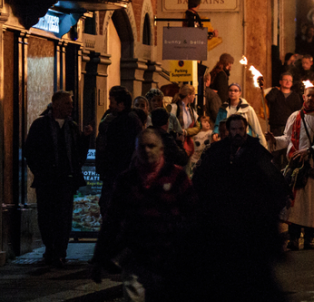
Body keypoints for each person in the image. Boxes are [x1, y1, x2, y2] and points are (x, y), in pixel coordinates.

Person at [192, 113, 289, 301]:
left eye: (240, 129)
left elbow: (274, 184)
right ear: (228, 131)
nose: (237, 133)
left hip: (251, 227)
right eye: (234, 129)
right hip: (221, 228)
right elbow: (201, 183)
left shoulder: (256, 152)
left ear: (246, 130)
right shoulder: (217, 152)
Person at [91, 128, 196, 297]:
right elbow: (112, 219)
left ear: (161, 149)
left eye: (151, 146)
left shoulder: (176, 176)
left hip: (169, 257)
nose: (147, 150)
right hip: (136, 257)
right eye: (142, 147)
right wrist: (100, 257)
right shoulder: (127, 180)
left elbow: (192, 215)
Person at [23, 91, 92, 267]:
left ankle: (60, 251)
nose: (71, 107)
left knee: (63, 217)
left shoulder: (72, 127)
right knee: (46, 216)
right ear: (56, 105)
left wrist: (85, 139)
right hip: (47, 179)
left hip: (66, 180)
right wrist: (39, 171)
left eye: (71, 103)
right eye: (68, 103)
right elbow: (30, 151)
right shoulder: (40, 125)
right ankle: (50, 249)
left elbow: (78, 155)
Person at [269, 86, 314, 250]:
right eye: (308, 96)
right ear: (303, 97)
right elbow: (286, 138)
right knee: (295, 204)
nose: (310, 98)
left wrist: (310, 151)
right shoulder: (294, 117)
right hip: (297, 168)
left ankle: (309, 238)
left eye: (313, 96)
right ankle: (294, 238)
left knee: (312, 204)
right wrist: (273, 140)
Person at [96, 86, 144, 216]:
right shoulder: (109, 117)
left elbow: (128, 149)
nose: (110, 105)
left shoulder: (129, 121)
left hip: (121, 172)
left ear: (121, 104)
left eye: (112, 101)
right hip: (110, 172)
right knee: (107, 204)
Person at [214, 83, 267, 148]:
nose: (232, 92)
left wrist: (263, 146)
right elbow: (218, 124)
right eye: (230, 90)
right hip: (227, 141)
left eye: (235, 91)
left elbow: (257, 129)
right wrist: (216, 132)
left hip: (243, 142)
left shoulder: (247, 109)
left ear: (240, 93)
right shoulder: (223, 109)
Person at [265, 71, 303, 136]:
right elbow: (269, 99)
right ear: (280, 81)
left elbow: (298, 111)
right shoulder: (275, 93)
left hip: (290, 127)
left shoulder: (295, 96)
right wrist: (275, 90)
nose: (288, 82)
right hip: (276, 127)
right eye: (285, 80)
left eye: (290, 80)